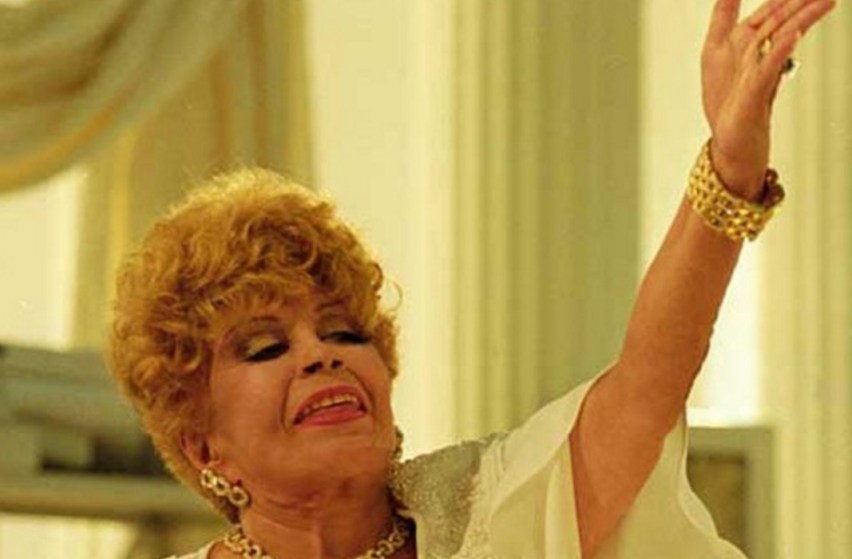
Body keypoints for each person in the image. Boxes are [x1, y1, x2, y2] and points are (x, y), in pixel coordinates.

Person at [107, 0, 835, 557]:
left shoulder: (483, 511)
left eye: (345, 332)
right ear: (204, 448)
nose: (322, 354)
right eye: (266, 346)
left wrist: (729, 170)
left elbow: (646, 385)